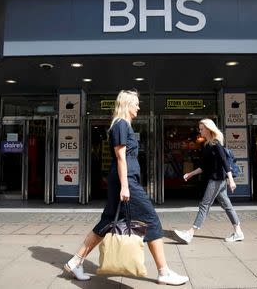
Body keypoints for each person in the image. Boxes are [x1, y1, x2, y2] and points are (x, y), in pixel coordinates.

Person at [64, 90, 188, 286]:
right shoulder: (121, 124)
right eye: (136, 103)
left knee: (107, 222)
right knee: (152, 220)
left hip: (124, 179)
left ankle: (75, 262)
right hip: (126, 180)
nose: (138, 107)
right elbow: (121, 157)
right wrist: (125, 186)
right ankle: (164, 272)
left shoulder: (121, 125)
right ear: (126, 104)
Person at [174, 118, 244, 244]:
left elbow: (224, 162)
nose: (200, 131)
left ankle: (190, 233)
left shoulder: (216, 144)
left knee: (204, 205)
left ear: (208, 129)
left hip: (216, 180)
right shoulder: (207, 145)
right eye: (199, 129)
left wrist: (231, 180)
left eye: (201, 129)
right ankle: (238, 232)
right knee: (227, 206)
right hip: (218, 180)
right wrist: (190, 174)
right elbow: (204, 167)